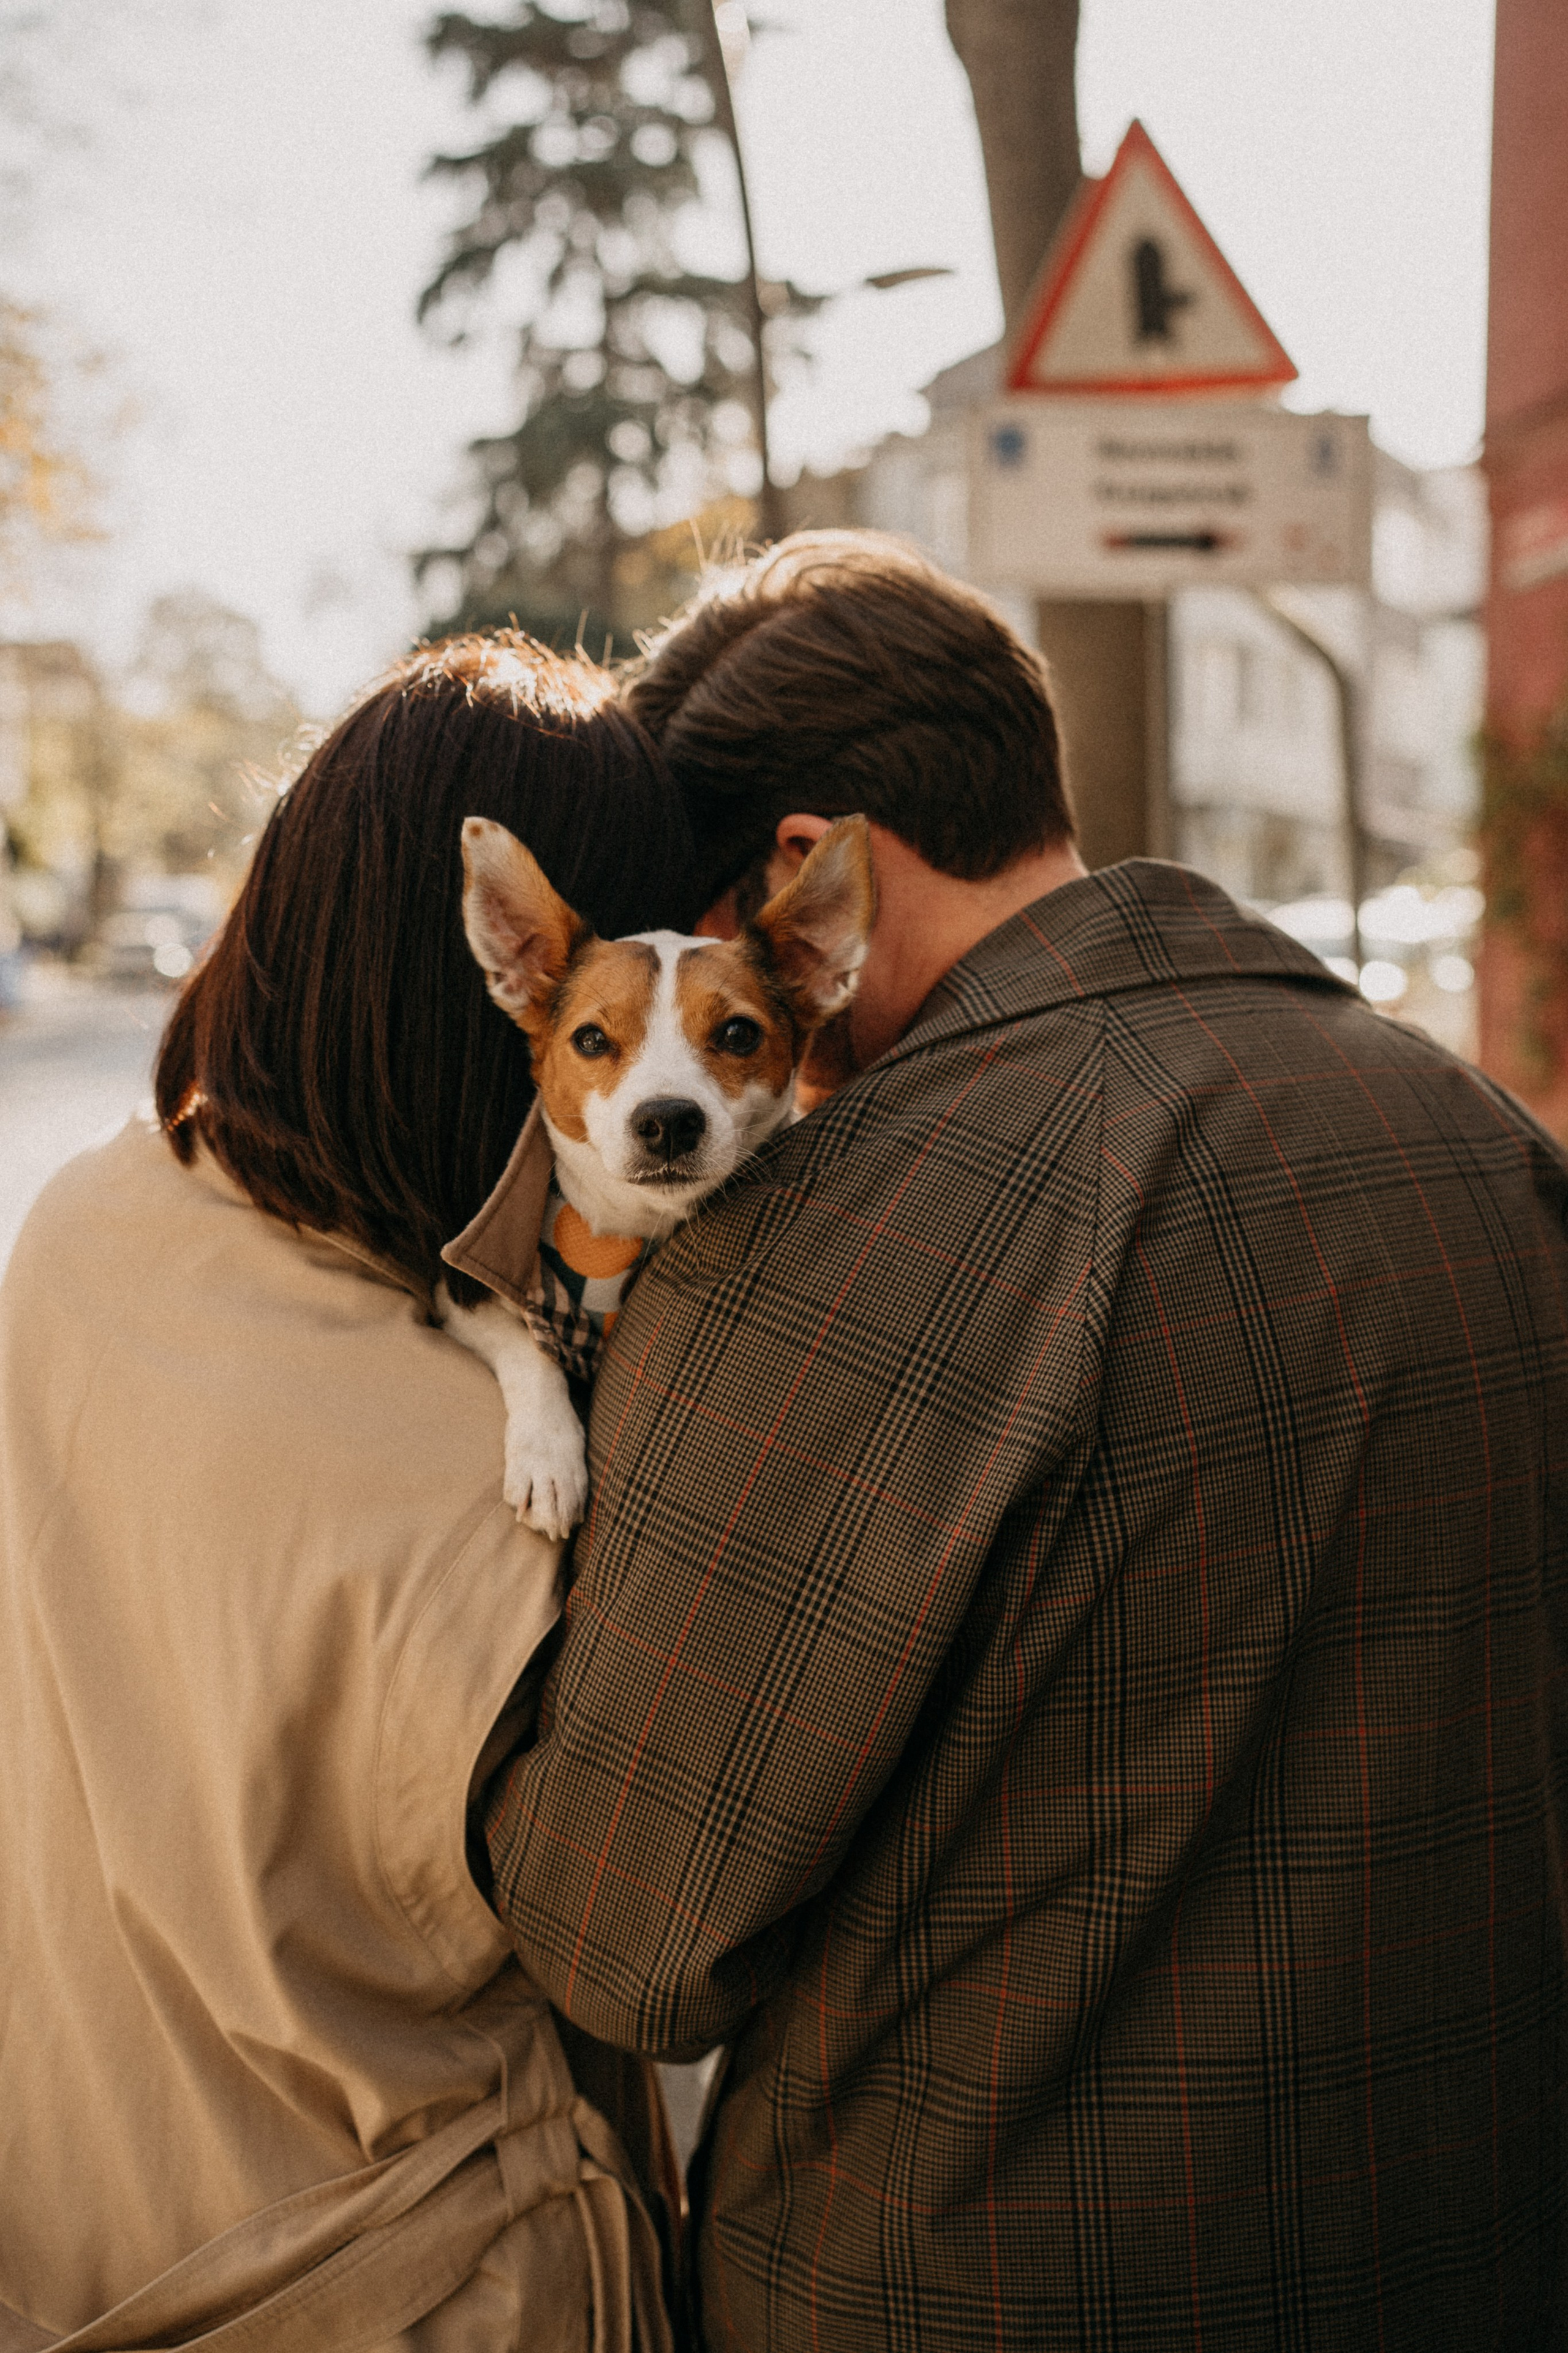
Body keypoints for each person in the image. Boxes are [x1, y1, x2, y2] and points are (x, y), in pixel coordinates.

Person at [456, 537, 1568, 2351]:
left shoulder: (824, 1256)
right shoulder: (1478, 1137)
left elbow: (627, 1932)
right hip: (1481, 2246)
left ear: (810, 869)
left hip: (969, 2282)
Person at [0, 637, 697, 2349]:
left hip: (77, 2238)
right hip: (429, 2287)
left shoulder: (85, 1230)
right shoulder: (520, 1487)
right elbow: (671, 1946)